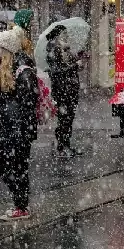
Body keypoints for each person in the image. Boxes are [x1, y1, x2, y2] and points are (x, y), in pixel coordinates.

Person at [0, 28, 39, 221]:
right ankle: (19, 203)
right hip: (2, 129)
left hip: (17, 131)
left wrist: (23, 132)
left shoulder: (22, 71)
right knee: (3, 166)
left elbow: (28, 104)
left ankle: (21, 206)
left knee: (17, 168)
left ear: (6, 49)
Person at [46, 25, 82, 157]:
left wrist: (77, 58)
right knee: (64, 119)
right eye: (62, 32)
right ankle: (61, 147)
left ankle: (66, 145)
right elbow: (56, 72)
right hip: (62, 91)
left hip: (69, 89)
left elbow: (65, 66)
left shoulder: (63, 47)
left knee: (68, 118)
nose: (65, 34)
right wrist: (74, 66)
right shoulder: (52, 48)